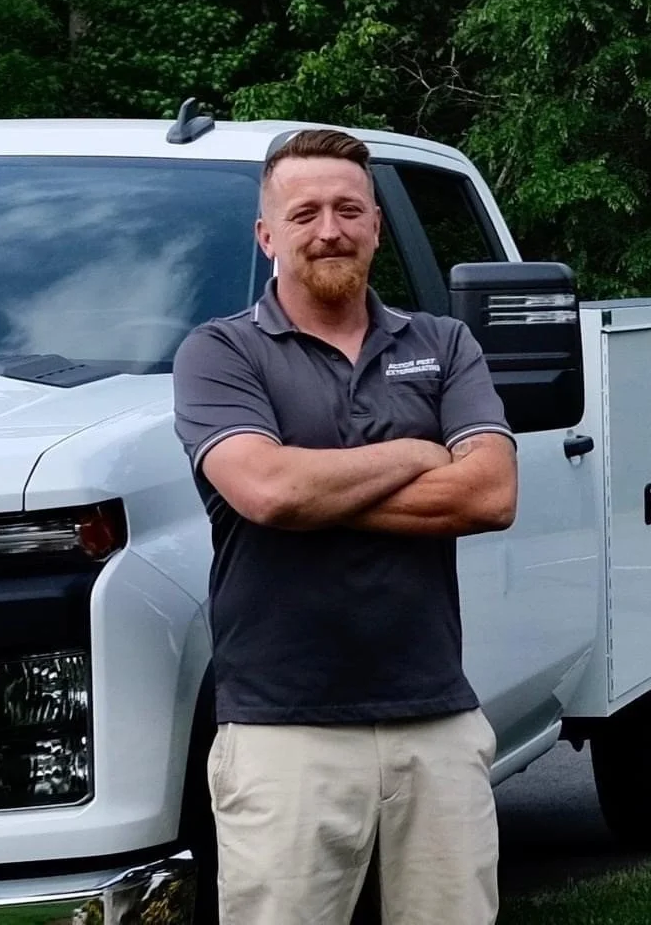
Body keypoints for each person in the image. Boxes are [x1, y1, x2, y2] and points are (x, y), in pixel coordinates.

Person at [171, 128, 520, 925]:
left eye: (346, 210)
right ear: (266, 236)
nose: (327, 229)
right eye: (302, 214)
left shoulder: (443, 343)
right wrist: (416, 449)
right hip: (281, 731)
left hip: (435, 719)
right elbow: (268, 492)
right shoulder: (220, 353)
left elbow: (490, 496)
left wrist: (315, 487)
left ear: (375, 226)